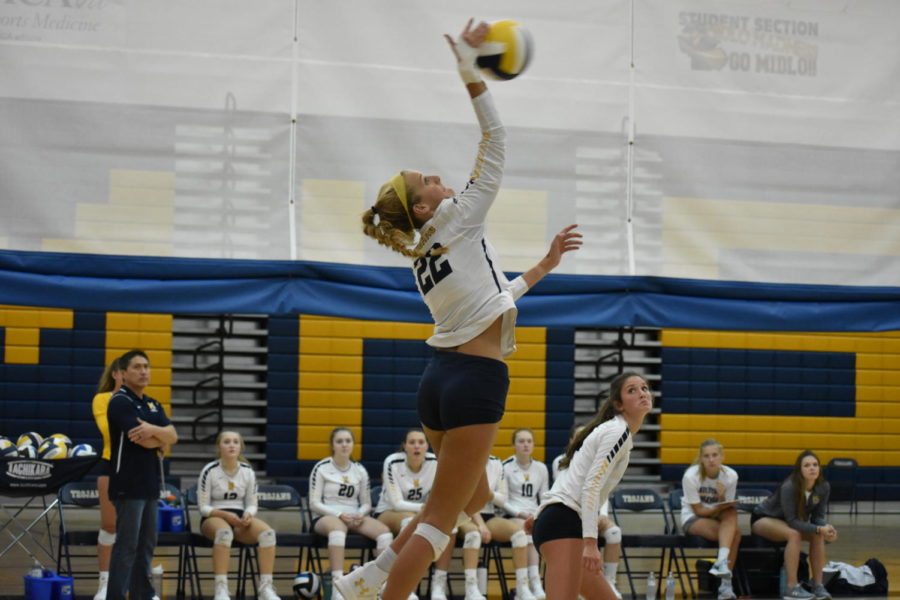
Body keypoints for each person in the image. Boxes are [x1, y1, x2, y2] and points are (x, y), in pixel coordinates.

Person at [336, 18, 581, 600]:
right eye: (430, 181)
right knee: (444, 521)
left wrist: (543, 267)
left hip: (439, 380)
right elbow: (496, 140)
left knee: (471, 498)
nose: (442, 179)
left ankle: (368, 577)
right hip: (473, 380)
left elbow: (486, 302)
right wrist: (470, 73)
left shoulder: (420, 250)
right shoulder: (457, 217)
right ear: (423, 208)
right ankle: (382, 592)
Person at [529, 372, 653, 600]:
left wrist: (540, 516)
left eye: (644, 388)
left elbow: (572, 478)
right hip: (563, 523)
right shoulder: (617, 432)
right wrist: (590, 543)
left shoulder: (613, 431)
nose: (643, 393)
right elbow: (590, 486)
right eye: (632, 390)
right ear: (619, 404)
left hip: (558, 520)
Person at [106, 349, 178, 600]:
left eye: (146, 366)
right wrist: (158, 436)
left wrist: (154, 431)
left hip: (149, 484)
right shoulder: (119, 402)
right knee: (127, 546)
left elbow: (173, 436)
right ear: (123, 373)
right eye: (137, 367)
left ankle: (142, 595)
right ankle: (115, 595)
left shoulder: (152, 403)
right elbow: (145, 441)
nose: (144, 371)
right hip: (127, 484)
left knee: (147, 545)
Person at [309, 427, 393, 600]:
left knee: (384, 534)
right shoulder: (322, 467)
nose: (344, 445)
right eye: (339, 441)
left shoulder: (359, 470)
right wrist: (339, 514)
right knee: (338, 529)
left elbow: (366, 503)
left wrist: (361, 513)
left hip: (354, 517)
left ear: (353, 444)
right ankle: (337, 587)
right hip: (326, 516)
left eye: (348, 441)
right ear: (332, 445)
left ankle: (382, 586)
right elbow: (314, 503)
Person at [197, 431, 279, 600]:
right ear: (219, 447)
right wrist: (224, 515)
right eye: (227, 442)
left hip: (240, 520)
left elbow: (252, 502)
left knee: (268, 534)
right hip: (214, 517)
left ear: (241, 447)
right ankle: (221, 589)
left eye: (235, 442)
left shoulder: (247, 471)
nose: (232, 445)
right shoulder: (210, 470)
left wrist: (249, 514)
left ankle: (266, 588)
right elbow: (203, 507)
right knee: (224, 533)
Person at [751, 450, 838, 600]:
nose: (812, 468)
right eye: (807, 465)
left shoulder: (823, 487)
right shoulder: (790, 486)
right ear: (799, 470)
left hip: (787, 522)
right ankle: (791, 588)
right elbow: (792, 521)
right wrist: (818, 528)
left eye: (815, 465)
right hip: (764, 519)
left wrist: (827, 528)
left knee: (817, 536)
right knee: (794, 534)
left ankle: (818, 586)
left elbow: (818, 517)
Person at [551, 425, 623, 600]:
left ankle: (609, 583)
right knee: (578, 539)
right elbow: (563, 495)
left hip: (594, 515)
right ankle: (581, 586)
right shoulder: (561, 462)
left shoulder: (601, 462)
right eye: (580, 437)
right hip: (572, 515)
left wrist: (603, 515)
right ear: (572, 441)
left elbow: (603, 493)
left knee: (614, 532)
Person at [679, 439, 740, 600]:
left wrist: (721, 497)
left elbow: (727, 507)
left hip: (717, 516)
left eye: (714, 455)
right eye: (706, 456)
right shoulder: (691, 476)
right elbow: (698, 510)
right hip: (692, 518)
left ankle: (721, 562)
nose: (711, 459)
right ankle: (725, 586)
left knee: (732, 514)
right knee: (735, 534)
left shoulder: (731, 476)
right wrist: (718, 507)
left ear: (722, 457)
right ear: (701, 458)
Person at [501, 429, 549, 600]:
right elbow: (504, 501)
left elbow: (545, 497)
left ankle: (536, 582)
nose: (525, 444)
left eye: (529, 441)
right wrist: (521, 514)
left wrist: (537, 515)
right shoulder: (505, 467)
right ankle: (531, 582)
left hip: (535, 514)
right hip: (513, 514)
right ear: (513, 445)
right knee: (527, 530)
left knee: (541, 528)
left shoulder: (541, 468)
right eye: (521, 441)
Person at [90, 356, 124, 600]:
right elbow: (109, 430)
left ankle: (138, 580)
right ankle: (105, 583)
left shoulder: (145, 402)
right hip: (111, 464)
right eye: (129, 370)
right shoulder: (102, 399)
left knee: (139, 529)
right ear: (115, 374)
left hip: (140, 467)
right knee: (110, 525)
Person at [375, 429, 438, 535]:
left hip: (421, 512)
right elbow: (397, 504)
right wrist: (424, 508)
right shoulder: (392, 462)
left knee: (443, 525)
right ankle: (403, 552)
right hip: (388, 511)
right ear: (404, 446)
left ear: (427, 446)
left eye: (421, 442)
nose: (417, 446)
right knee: (411, 521)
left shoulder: (434, 462)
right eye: (412, 442)